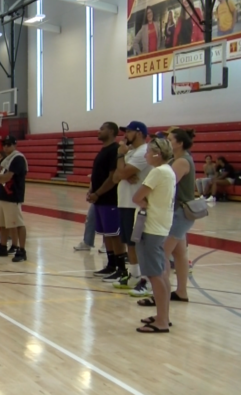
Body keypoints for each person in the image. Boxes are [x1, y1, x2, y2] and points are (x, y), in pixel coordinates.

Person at [135, 128, 198, 300]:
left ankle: (159, 294)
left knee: (162, 253)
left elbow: (166, 186)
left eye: (170, 139)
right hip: (180, 211)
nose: (167, 141)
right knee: (179, 254)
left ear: (179, 143)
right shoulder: (179, 160)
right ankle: (181, 291)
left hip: (178, 212)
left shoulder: (181, 162)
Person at [131, 137, 176, 333]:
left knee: (155, 274)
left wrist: (141, 202)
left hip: (151, 227)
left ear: (157, 154)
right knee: (161, 273)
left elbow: (137, 196)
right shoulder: (168, 171)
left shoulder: (157, 172)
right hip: (161, 225)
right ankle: (162, 315)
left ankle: (162, 321)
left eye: (149, 152)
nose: (146, 155)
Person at [111, 121, 151, 290]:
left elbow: (122, 172)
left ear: (139, 133)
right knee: (129, 242)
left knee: (139, 243)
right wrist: (124, 173)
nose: (124, 135)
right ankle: (134, 275)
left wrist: (121, 158)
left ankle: (146, 278)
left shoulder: (143, 152)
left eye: (128, 131)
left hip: (135, 204)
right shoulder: (131, 152)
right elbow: (115, 177)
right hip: (125, 202)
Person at [89, 122, 125, 281]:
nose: (99, 130)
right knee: (106, 235)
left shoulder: (114, 150)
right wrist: (91, 191)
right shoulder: (103, 150)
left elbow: (112, 178)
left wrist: (97, 193)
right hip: (100, 200)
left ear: (111, 131)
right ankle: (111, 265)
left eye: (102, 128)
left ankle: (121, 268)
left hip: (110, 199)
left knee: (114, 235)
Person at [0, 136, 28, 262]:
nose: (6, 147)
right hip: (2, 195)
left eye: (8, 145)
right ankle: (3, 246)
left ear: (14, 145)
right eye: (4, 145)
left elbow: (7, 177)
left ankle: (21, 250)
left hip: (13, 196)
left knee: (17, 224)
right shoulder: (4, 159)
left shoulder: (18, 159)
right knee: (1, 224)